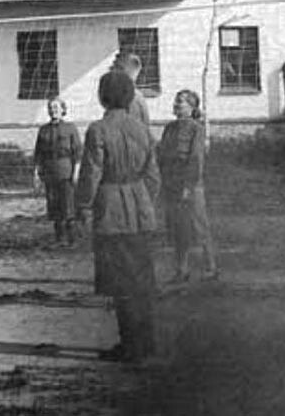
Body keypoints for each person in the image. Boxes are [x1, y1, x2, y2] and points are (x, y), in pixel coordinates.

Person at [76, 69, 162, 363]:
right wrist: (141, 201)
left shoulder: (97, 130)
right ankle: (147, 343)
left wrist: (84, 206)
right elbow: (153, 178)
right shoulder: (143, 130)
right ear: (128, 96)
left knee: (121, 283)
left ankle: (130, 347)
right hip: (140, 211)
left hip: (111, 213)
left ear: (103, 97)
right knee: (142, 280)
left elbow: (91, 174)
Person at [158, 89, 219, 284]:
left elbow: (196, 159)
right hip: (172, 185)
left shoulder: (196, 129)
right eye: (176, 101)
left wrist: (188, 186)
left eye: (181, 102)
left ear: (192, 108)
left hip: (191, 185)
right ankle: (181, 270)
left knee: (200, 226)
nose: (176, 105)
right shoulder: (169, 128)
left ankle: (211, 267)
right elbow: (162, 156)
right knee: (178, 228)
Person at [34, 96, 83, 248]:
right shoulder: (43, 130)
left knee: (68, 204)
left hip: (66, 170)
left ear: (63, 110)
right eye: (51, 108)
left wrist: (76, 171)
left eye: (56, 108)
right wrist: (36, 172)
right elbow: (38, 153)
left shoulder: (70, 128)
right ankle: (59, 239)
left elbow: (77, 152)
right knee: (54, 204)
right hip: (49, 171)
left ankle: (72, 240)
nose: (53, 111)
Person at [112, 52, 152, 130]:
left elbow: (131, 132)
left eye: (117, 67)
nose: (112, 71)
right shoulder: (124, 96)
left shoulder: (132, 98)